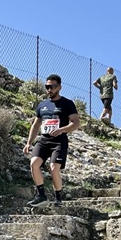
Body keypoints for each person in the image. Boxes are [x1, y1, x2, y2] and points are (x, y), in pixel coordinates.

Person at [24, 75, 80, 206]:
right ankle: (41, 196)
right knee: (34, 164)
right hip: (44, 140)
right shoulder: (42, 105)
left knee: (54, 168)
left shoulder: (67, 104)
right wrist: (28, 143)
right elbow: (36, 125)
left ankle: (58, 198)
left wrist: (62, 130)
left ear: (59, 87)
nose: (49, 89)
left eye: (52, 87)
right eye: (47, 87)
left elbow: (76, 123)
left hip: (59, 141)